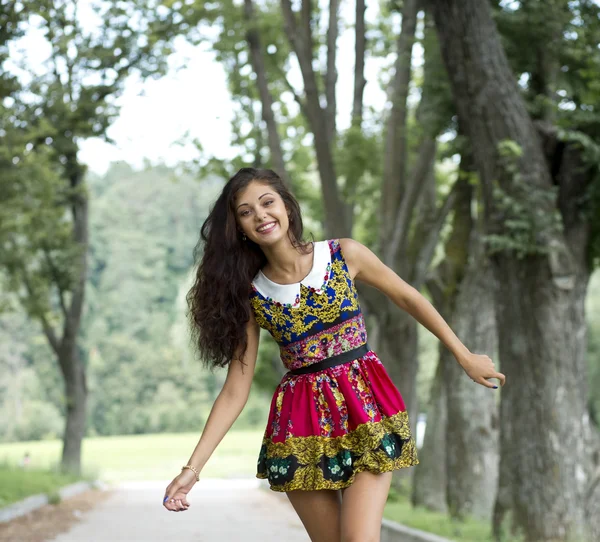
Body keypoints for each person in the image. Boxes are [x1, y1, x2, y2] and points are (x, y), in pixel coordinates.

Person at [162, 167, 505, 540]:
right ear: (239, 228)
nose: (260, 215)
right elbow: (234, 390)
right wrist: (192, 470)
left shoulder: (344, 254)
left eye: (267, 202)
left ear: (286, 207)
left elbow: (408, 297)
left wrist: (464, 355)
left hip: (366, 410)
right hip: (300, 427)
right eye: (246, 212)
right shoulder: (251, 295)